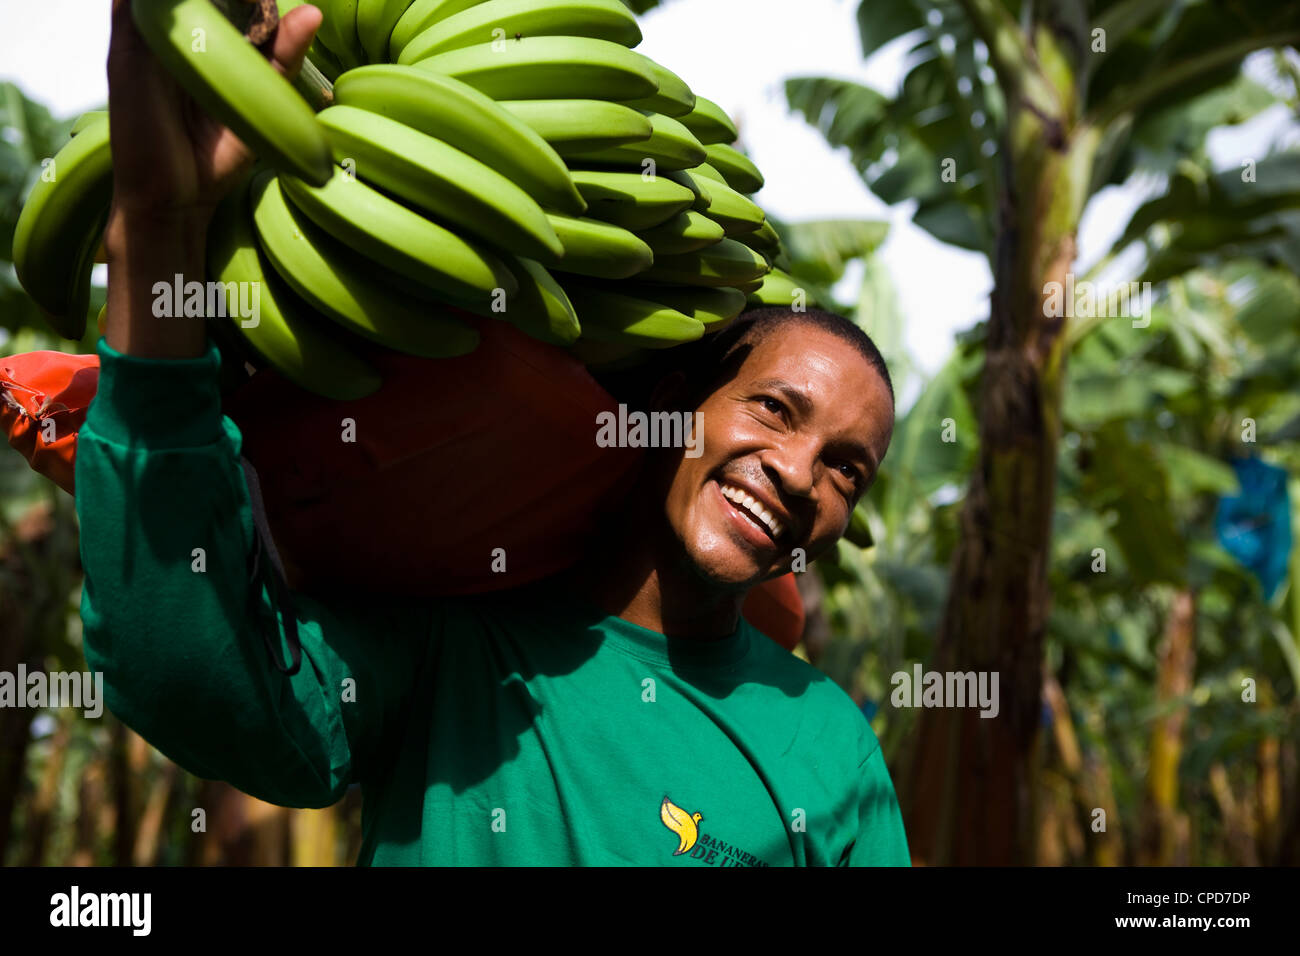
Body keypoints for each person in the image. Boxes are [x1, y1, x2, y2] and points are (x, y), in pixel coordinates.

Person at [81, 0, 909, 866]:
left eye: (847, 470)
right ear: (670, 403)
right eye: (774, 409)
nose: (797, 473)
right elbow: (193, 682)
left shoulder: (826, 746)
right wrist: (159, 225)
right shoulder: (451, 653)